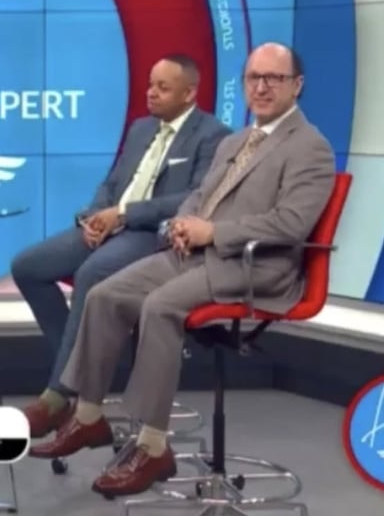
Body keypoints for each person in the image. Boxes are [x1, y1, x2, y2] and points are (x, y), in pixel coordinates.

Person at [27, 43, 336, 496]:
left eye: (274, 78)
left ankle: (152, 445)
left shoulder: (311, 147)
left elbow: (290, 224)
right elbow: (197, 197)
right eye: (254, 78)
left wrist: (213, 232)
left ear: (297, 85)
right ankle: (88, 416)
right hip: (198, 254)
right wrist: (180, 225)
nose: (262, 87)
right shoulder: (236, 142)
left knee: (159, 306)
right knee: (105, 294)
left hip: (254, 265)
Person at [11, 55, 230, 437]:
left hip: (150, 233)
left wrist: (124, 214)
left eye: (163, 87)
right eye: (151, 84)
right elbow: (113, 182)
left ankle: (59, 395)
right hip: (110, 224)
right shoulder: (141, 128)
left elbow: (193, 198)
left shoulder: (213, 135)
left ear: (189, 93)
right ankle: (80, 364)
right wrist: (94, 216)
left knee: (92, 273)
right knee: (27, 267)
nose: (151, 93)